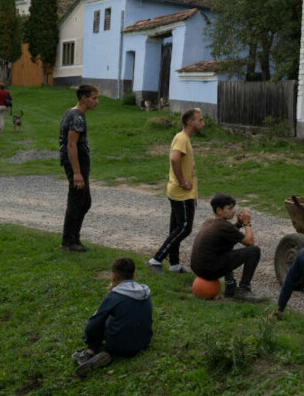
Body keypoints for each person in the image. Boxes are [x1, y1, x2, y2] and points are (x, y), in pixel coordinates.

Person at [72, 257, 153, 379]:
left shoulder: (114, 297)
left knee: (103, 318)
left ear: (113, 276)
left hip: (119, 345)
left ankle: (90, 351)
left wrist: (89, 340)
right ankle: (107, 353)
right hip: (144, 341)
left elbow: (94, 324)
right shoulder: (144, 292)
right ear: (134, 275)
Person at [148, 108, 204, 274]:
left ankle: (174, 264)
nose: (203, 123)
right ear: (190, 122)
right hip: (181, 193)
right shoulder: (181, 138)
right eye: (200, 120)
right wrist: (182, 182)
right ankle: (156, 259)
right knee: (184, 228)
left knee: (176, 228)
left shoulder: (185, 138)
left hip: (181, 192)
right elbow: (174, 158)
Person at [190, 193, 266, 303]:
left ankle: (230, 285)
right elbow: (250, 242)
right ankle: (243, 289)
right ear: (219, 210)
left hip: (198, 268)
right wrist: (247, 223)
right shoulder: (224, 226)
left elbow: (230, 233)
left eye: (233, 207)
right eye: (230, 208)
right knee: (254, 251)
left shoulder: (210, 221)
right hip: (209, 271)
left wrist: (239, 224)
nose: (234, 211)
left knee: (226, 243)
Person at [59, 84, 99, 252]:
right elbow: (71, 145)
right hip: (77, 164)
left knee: (84, 202)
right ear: (84, 98)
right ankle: (68, 241)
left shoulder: (72, 112)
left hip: (78, 163)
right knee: (76, 201)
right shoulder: (77, 117)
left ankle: (74, 238)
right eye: (94, 98)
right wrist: (76, 172)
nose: (97, 102)